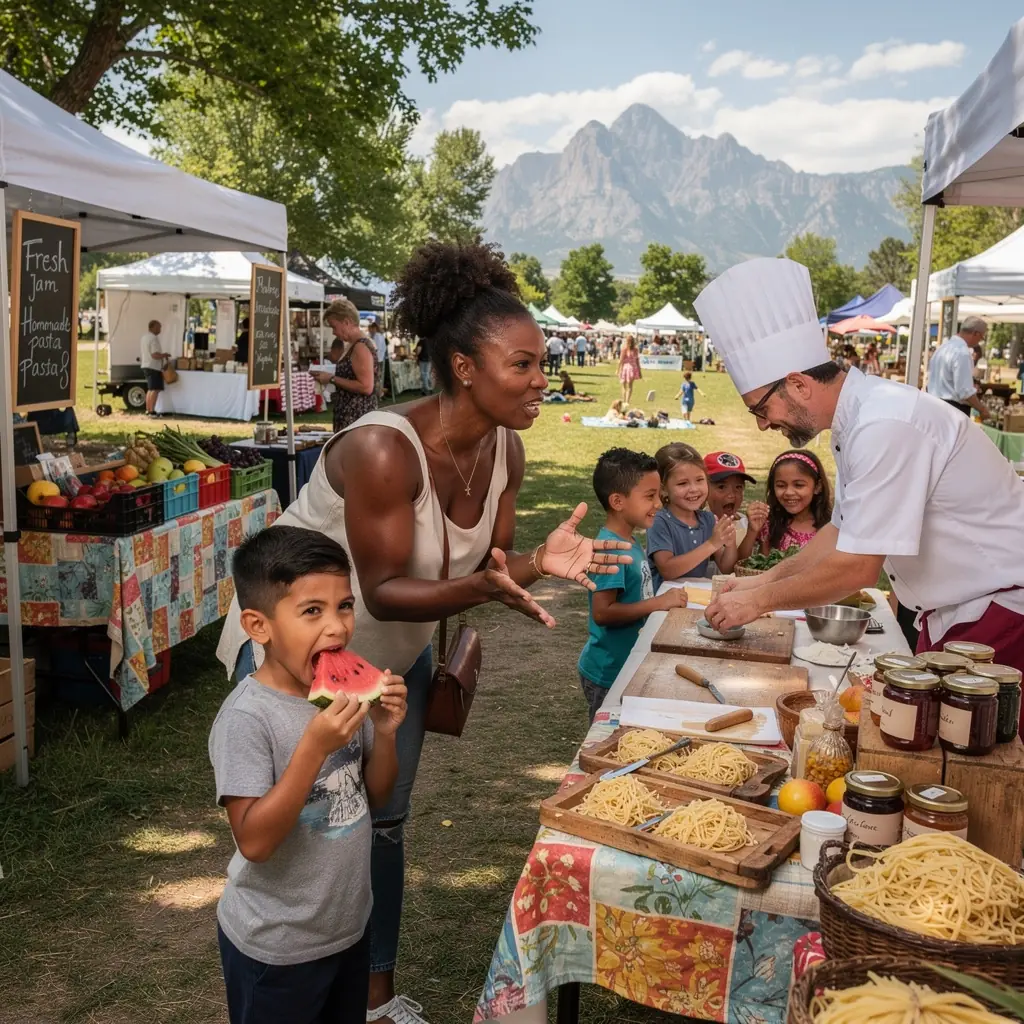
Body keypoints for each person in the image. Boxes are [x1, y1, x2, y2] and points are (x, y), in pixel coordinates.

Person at [217, 240, 631, 1024]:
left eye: (543, 363)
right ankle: (278, 967)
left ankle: (373, 997)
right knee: (311, 822)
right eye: (523, 364)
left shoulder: (506, 447)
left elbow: (490, 567)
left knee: (382, 823)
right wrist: (483, 585)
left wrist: (537, 561)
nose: (542, 379)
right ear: (465, 367)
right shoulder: (383, 448)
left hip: (387, 661)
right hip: (300, 657)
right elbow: (382, 590)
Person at [698, 258, 1024, 704]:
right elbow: (840, 534)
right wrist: (761, 581)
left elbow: (857, 567)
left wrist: (758, 602)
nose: (762, 423)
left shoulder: (882, 424)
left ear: (798, 384)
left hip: (1001, 610)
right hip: (963, 609)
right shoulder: (858, 421)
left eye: (760, 408)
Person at [210, 526, 408, 1024]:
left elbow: (377, 796)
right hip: (276, 947)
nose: (337, 627)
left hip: (347, 927)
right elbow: (254, 842)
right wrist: (314, 748)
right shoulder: (246, 719)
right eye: (312, 611)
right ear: (258, 626)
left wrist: (385, 734)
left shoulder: (343, 698)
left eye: (345, 606)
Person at [578, 449, 687, 722]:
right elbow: (602, 613)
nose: (658, 504)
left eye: (658, 495)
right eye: (650, 496)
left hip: (628, 666)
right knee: (608, 737)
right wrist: (658, 603)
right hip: (609, 673)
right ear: (618, 501)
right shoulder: (610, 549)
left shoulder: (629, 539)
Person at [647, 443, 737, 590]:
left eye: (699, 480)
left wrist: (730, 542)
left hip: (696, 597)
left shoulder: (707, 519)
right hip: (664, 599)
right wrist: (712, 544)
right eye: (683, 483)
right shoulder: (659, 521)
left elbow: (726, 568)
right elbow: (668, 570)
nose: (694, 489)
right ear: (663, 489)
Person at [313, 299, 379, 433]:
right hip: (350, 417)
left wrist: (331, 378)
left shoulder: (360, 347)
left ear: (347, 322)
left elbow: (366, 387)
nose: (333, 332)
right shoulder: (354, 345)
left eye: (334, 327)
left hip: (356, 419)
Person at [757, 450, 832, 555]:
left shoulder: (832, 527)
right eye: (781, 485)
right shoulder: (770, 526)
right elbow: (756, 562)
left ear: (817, 487)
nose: (789, 492)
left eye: (798, 485)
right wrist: (752, 531)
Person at [704, 452, 767, 569]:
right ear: (704, 488)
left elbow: (744, 566)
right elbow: (727, 568)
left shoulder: (746, 523)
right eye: (721, 487)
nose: (732, 495)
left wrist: (752, 532)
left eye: (738, 487)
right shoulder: (701, 524)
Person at [926, 314, 991, 420]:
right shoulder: (962, 353)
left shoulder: (943, 348)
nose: (979, 341)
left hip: (934, 404)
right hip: (952, 410)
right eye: (981, 337)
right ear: (975, 333)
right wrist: (982, 409)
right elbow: (965, 391)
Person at [140, 319, 171, 417]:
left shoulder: (144, 337)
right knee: (155, 389)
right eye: (159, 327)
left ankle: (148, 409)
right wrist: (164, 355)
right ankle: (152, 411)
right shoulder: (153, 338)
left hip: (146, 365)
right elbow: (154, 355)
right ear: (153, 327)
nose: (160, 329)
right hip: (153, 366)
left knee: (150, 389)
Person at [618, 335, 642, 404]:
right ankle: (627, 401)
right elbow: (637, 361)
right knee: (630, 386)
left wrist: (618, 369)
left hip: (625, 368)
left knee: (624, 386)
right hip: (633, 368)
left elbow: (621, 360)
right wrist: (639, 371)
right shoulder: (636, 350)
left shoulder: (624, 349)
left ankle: (624, 400)